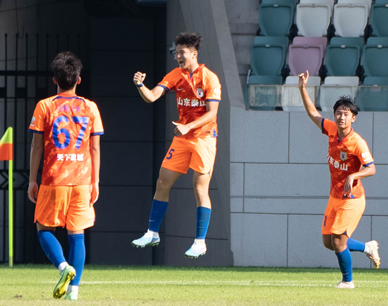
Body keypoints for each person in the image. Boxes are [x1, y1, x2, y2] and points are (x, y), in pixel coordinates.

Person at [131, 32, 221, 259]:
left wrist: (189, 127)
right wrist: (140, 85)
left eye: (182, 52)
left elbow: (212, 114)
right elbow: (152, 97)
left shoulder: (210, 78)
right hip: (182, 137)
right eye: (176, 52)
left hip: (204, 137)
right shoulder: (175, 74)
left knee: (199, 188)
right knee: (162, 181)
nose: (178, 56)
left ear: (194, 54)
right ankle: (152, 233)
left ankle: (200, 241)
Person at [28, 51, 104, 300]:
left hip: (54, 179)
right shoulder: (90, 107)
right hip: (82, 179)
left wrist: (32, 179)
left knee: (43, 228)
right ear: (78, 80)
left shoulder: (45, 106)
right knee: (77, 234)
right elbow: (95, 147)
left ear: (54, 79)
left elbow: (37, 146)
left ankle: (63, 267)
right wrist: (95, 181)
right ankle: (74, 291)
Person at [298, 70, 380, 289]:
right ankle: (367, 248)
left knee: (338, 240)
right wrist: (302, 88)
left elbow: (372, 169)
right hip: (335, 196)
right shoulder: (332, 130)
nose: (341, 117)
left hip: (352, 198)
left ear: (353, 118)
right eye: (338, 113)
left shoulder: (357, 143)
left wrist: (355, 174)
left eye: (346, 114)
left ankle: (348, 281)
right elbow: (313, 114)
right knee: (329, 242)